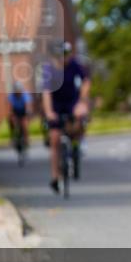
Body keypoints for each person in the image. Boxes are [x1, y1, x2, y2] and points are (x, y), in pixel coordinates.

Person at [41, 41, 91, 193]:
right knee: (55, 139)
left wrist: (82, 102)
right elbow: (46, 92)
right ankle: (55, 177)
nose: (64, 59)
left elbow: (86, 82)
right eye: (60, 56)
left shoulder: (74, 65)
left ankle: (77, 146)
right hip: (56, 105)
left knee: (79, 120)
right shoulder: (49, 69)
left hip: (72, 103)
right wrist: (49, 112)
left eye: (66, 55)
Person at [6, 81, 32, 147]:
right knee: (11, 121)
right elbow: (10, 107)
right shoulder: (11, 96)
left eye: (19, 91)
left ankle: (27, 139)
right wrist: (11, 115)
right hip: (15, 111)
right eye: (16, 91)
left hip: (23, 111)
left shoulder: (25, 95)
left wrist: (27, 113)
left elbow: (27, 105)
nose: (18, 92)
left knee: (24, 125)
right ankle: (13, 137)